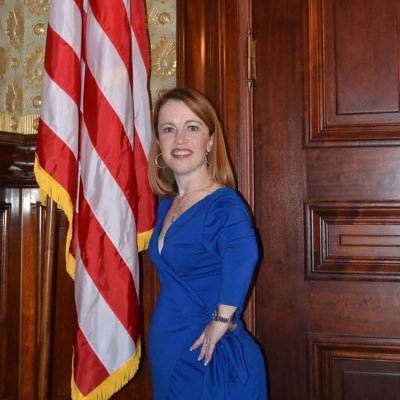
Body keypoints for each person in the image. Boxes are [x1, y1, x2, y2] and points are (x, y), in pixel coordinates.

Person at [148, 87, 267, 400]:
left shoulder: (224, 204)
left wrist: (221, 320)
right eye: (168, 130)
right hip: (169, 350)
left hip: (207, 355)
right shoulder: (167, 204)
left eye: (192, 127)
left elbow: (244, 256)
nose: (180, 140)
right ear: (159, 142)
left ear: (211, 141)